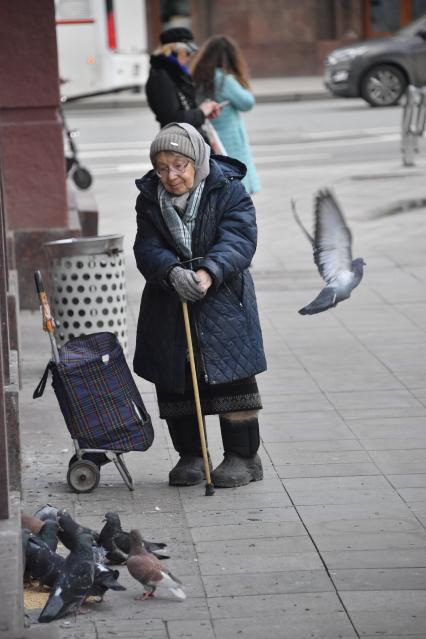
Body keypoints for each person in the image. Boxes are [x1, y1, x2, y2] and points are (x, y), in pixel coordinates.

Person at [133, 122, 267, 488]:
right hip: (169, 299)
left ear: (197, 159)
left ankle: (244, 457)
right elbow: (146, 247)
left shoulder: (228, 190)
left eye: (179, 165)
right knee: (176, 377)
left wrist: (208, 272)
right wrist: (171, 273)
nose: (171, 176)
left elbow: (239, 238)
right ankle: (192, 455)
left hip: (222, 297)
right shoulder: (149, 198)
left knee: (231, 377)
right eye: (162, 168)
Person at [191, 35, 260, 195]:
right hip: (230, 144)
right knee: (236, 189)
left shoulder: (197, 77)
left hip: (208, 142)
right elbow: (247, 102)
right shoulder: (224, 80)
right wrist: (239, 79)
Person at [145, 27, 220, 133]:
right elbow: (172, 120)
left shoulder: (176, 73)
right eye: (187, 52)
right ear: (173, 51)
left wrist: (205, 109)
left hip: (187, 137)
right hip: (178, 142)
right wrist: (201, 113)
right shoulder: (161, 76)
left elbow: (185, 106)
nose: (189, 57)